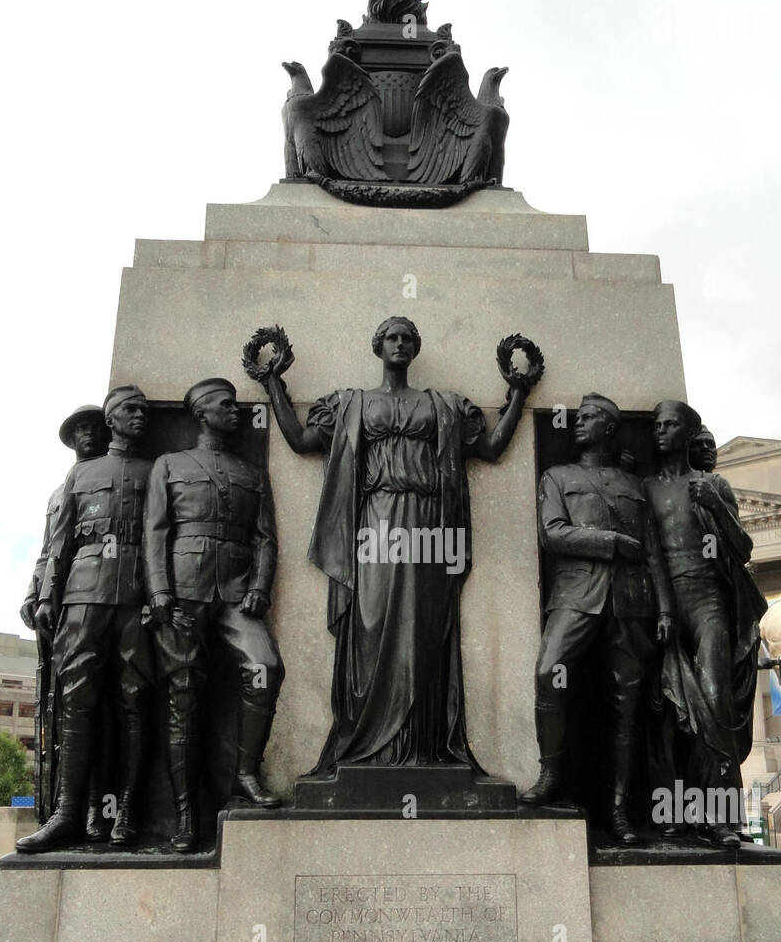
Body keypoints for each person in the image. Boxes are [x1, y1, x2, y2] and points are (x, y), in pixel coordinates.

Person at [262, 317, 537, 773]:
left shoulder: (442, 405)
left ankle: (422, 747)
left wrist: (519, 394)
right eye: (392, 337)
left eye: (407, 338)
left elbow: (488, 448)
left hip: (428, 523)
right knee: (370, 623)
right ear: (377, 346)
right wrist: (273, 383)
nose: (400, 344)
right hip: (374, 522)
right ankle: (368, 743)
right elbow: (300, 441)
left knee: (422, 624)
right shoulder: (352, 404)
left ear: (415, 348)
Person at [520, 394, 673, 842]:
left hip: (632, 602)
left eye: (589, 419)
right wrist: (609, 541)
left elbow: (653, 550)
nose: (578, 424)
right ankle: (551, 775)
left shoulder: (633, 482)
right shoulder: (558, 475)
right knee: (550, 673)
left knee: (626, 707)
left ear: (608, 427)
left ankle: (620, 809)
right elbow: (553, 534)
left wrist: (665, 607)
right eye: (578, 417)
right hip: (576, 594)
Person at [144, 378, 284, 852]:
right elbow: (155, 533)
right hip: (183, 592)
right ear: (202, 413)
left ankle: (245, 773)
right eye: (227, 406)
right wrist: (160, 592)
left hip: (237, 593)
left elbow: (265, 536)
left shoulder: (250, 470)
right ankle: (185, 815)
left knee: (265, 667)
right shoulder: (170, 464)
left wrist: (261, 586)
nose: (236, 413)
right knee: (182, 697)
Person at [16, 385, 154, 852]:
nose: (141, 417)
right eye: (130, 411)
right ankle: (68, 813)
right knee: (77, 701)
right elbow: (58, 544)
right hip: (83, 593)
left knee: (135, 699)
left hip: (137, 594)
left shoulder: (156, 470)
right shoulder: (79, 476)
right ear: (112, 418)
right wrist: (47, 596)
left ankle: (129, 812)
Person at [644, 400, 767, 846]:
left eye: (670, 425)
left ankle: (722, 818)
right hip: (666, 603)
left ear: (687, 431)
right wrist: (662, 609)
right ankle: (672, 811)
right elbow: (650, 553)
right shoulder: (648, 488)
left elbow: (744, 547)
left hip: (708, 600)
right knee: (667, 712)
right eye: (656, 425)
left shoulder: (713, 484)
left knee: (715, 703)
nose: (660, 432)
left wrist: (717, 506)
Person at [20, 404, 110, 829]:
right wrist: (34, 593)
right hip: (64, 609)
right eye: (81, 431)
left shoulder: (116, 476)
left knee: (103, 707)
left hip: (103, 601)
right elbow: (48, 551)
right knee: (66, 714)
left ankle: (95, 806)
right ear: (72, 440)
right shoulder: (59, 494)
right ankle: (61, 808)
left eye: (96, 428)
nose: (89, 435)